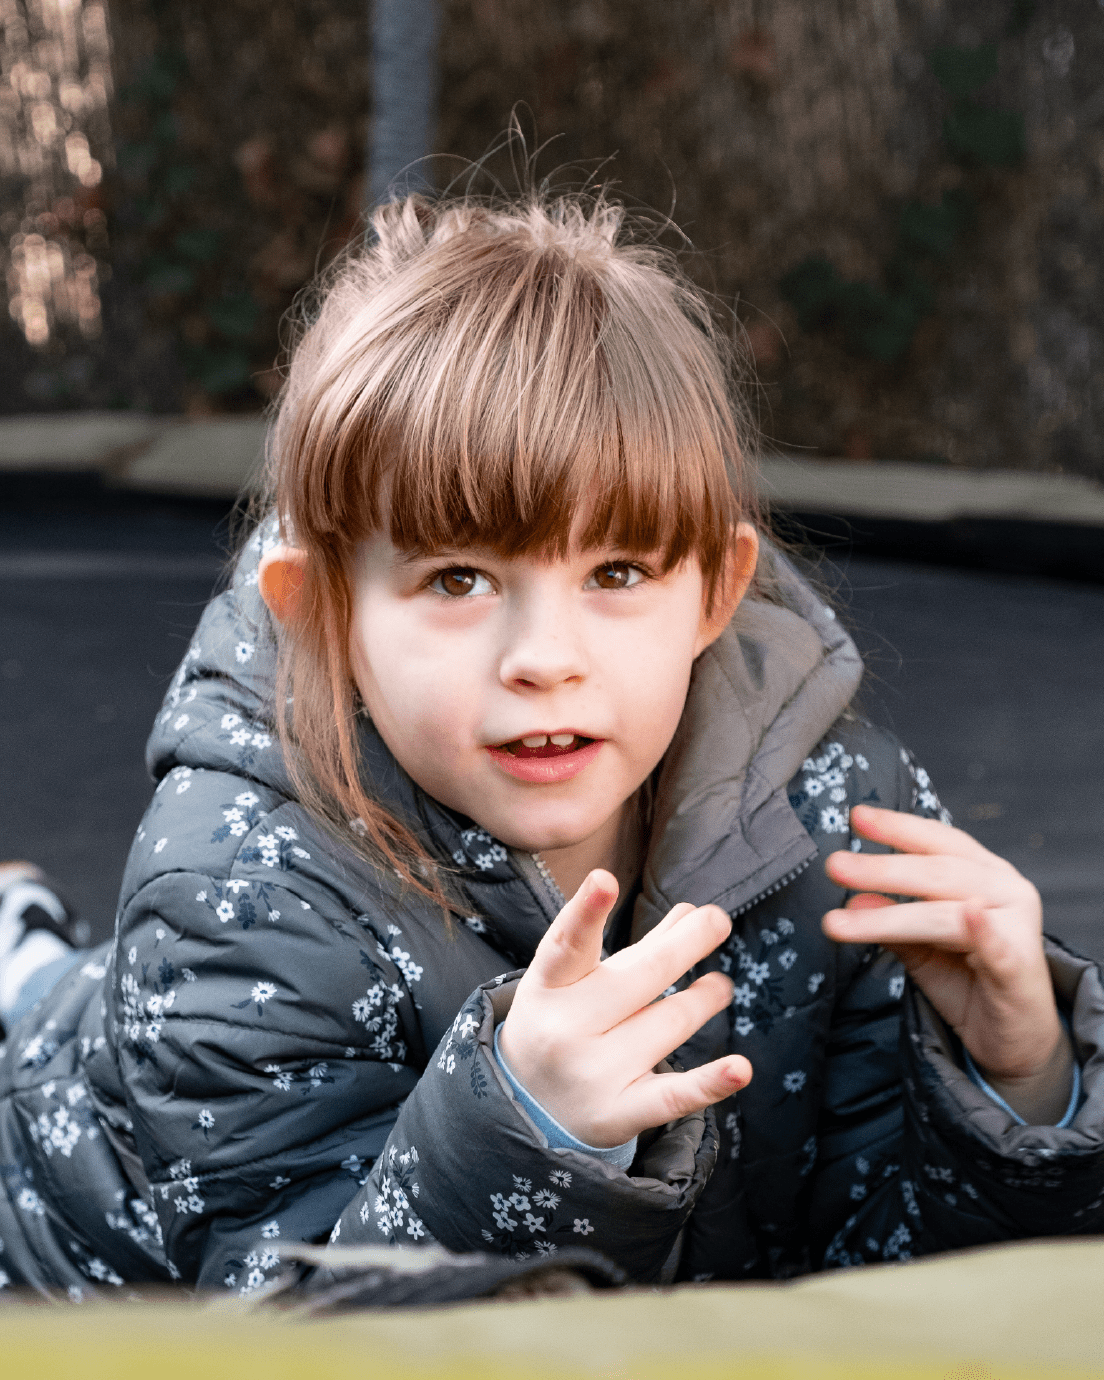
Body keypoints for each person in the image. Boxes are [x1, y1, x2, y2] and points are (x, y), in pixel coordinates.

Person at [0, 191, 1100, 1299]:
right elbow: (289, 1327)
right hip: (69, 1209)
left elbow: (893, 1276)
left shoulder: (832, 813)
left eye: (616, 574)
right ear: (322, 612)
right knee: (48, 1021)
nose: (545, 656)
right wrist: (523, 1138)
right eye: (460, 579)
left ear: (714, 590)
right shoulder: (239, 894)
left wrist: (1022, 1080)